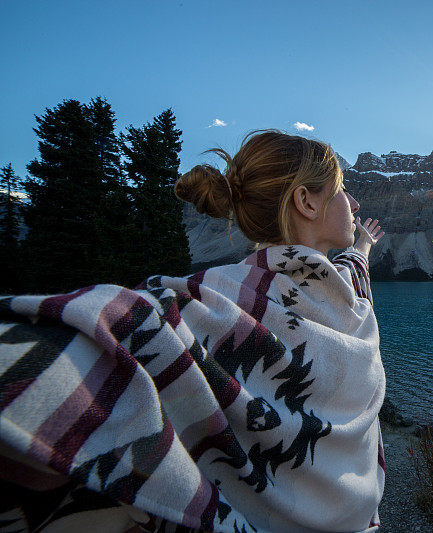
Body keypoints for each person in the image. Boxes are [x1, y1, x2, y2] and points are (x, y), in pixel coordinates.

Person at [0, 130, 387, 532]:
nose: (355, 203)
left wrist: (363, 247)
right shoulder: (219, 307)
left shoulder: (234, 295)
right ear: (306, 201)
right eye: (342, 190)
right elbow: (123, 327)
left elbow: (350, 270)